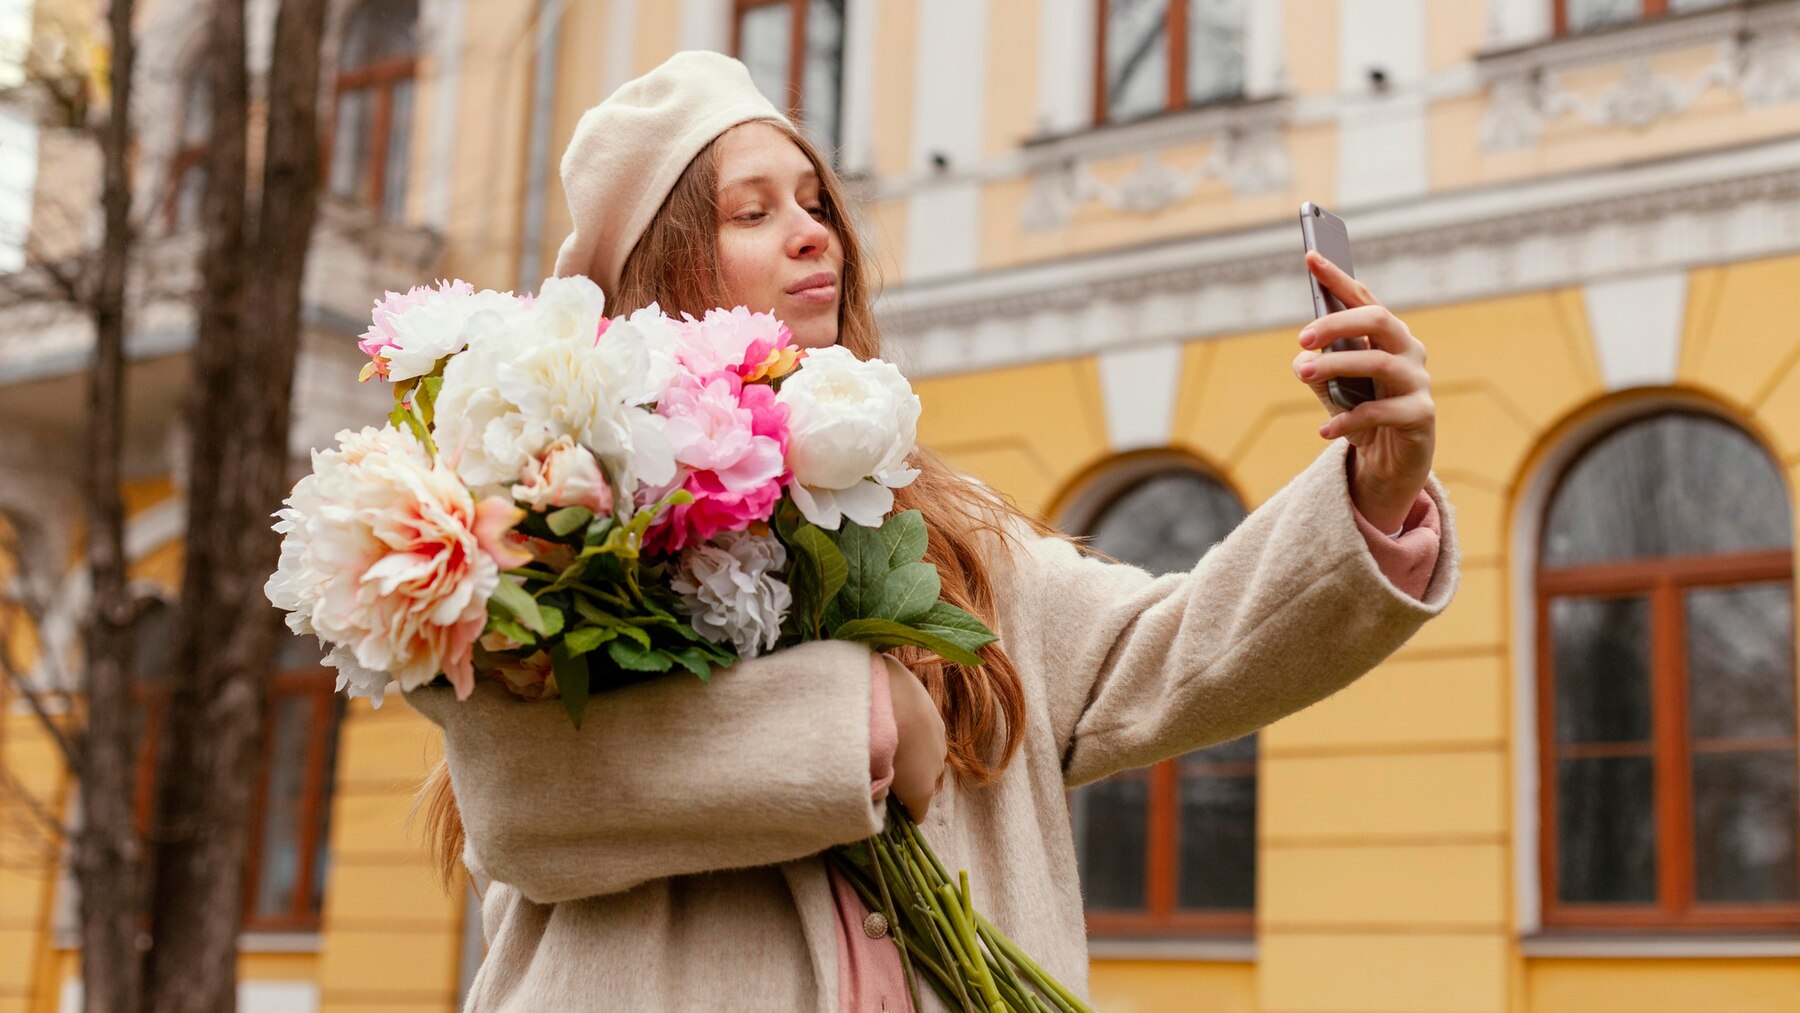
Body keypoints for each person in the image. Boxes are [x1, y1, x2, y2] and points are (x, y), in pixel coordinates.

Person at [407, 50, 1458, 1012]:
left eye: (816, 201)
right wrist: (863, 717)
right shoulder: (558, 524)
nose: (815, 230)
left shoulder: (950, 539)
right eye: (752, 211)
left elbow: (1174, 649)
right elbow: (524, 804)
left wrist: (1372, 491)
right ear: (660, 265)